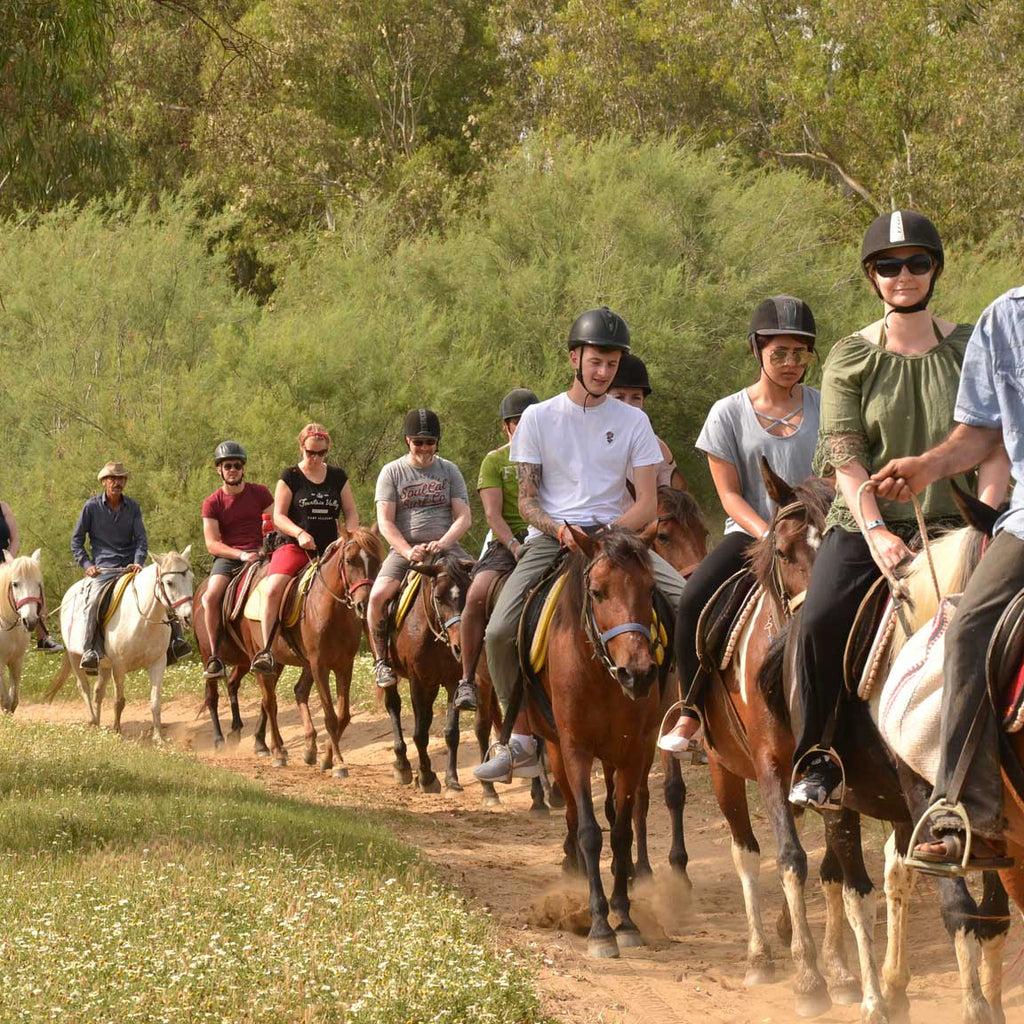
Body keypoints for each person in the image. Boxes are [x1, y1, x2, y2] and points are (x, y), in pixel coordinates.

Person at [787, 211, 1009, 810]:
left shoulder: (971, 346)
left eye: (916, 262)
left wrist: (984, 521)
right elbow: (846, 460)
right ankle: (819, 755)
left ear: (934, 269)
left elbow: (995, 445)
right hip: (867, 523)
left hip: (963, 519)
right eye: (889, 265)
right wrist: (880, 534)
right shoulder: (850, 356)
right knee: (819, 621)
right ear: (873, 278)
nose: (903, 274)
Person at [475, 306, 687, 782]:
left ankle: (688, 716)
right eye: (596, 362)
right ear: (575, 357)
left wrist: (608, 534)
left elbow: (649, 502)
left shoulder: (634, 423)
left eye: (612, 364)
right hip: (554, 538)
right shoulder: (538, 418)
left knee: (689, 602)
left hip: (617, 537)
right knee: (497, 631)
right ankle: (521, 737)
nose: (604, 372)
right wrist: (560, 530)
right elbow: (527, 500)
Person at [872, 287, 1024, 871]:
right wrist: (929, 465)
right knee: (968, 631)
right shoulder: (1004, 318)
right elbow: (981, 432)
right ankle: (970, 817)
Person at [659, 295, 821, 754]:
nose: (791, 363)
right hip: (753, 534)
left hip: (816, 535)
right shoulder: (727, 413)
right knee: (692, 600)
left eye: (800, 353)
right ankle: (690, 710)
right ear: (757, 351)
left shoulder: (825, 406)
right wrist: (769, 534)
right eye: (779, 353)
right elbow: (729, 495)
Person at [368, 409, 473, 688]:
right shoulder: (392, 472)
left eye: (430, 442)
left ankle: (480, 661)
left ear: (437, 442)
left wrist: (445, 542)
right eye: (418, 442)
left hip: (447, 548)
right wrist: (406, 551)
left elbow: (464, 516)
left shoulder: (449, 470)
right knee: (377, 596)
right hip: (406, 550)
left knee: (481, 587)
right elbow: (385, 522)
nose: (424, 448)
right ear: (407, 441)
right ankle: (381, 661)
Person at [452, 388, 540, 712]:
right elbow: (492, 514)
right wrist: (515, 545)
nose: (526, 427)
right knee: (476, 594)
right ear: (507, 426)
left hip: (546, 537)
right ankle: (467, 680)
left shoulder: (553, 456)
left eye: (532, 421)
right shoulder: (495, 461)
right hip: (508, 541)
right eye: (518, 422)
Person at [251, 424, 359, 673]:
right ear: (302, 448)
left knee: (361, 584)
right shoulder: (290, 476)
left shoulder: (337, 476)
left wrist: (350, 537)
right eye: (311, 452)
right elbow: (278, 516)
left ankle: (372, 650)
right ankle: (267, 650)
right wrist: (299, 533)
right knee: (273, 588)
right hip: (295, 547)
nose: (316, 458)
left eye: (321, 454)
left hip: (331, 549)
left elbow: (351, 511)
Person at [72, 461, 191, 672]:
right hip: (104, 568)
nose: (116, 482)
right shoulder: (91, 507)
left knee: (162, 592)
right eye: (112, 479)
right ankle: (91, 650)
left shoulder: (133, 507)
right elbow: (76, 541)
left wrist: (138, 561)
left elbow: (141, 540)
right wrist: (87, 564)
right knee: (93, 601)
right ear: (104, 482)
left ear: (125, 482)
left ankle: (176, 642)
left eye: (120, 478)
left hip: (131, 566)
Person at [200, 441, 274, 679]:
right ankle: (215, 656)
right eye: (227, 465)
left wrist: (265, 548)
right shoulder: (212, 503)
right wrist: (241, 555)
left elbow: (274, 524)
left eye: (237, 465)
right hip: (230, 557)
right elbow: (212, 543)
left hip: (262, 554)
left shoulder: (260, 492)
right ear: (218, 470)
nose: (233, 469)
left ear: (243, 468)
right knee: (211, 597)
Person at [608, 352, 687, 490]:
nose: (628, 405)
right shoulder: (582, 440)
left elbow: (677, 503)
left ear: (643, 402)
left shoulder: (657, 446)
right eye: (619, 397)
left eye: (636, 397)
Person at [0, 498, 63, 652]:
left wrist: (10, 562)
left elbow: (15, 539)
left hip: (6, 561)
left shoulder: (3, 508)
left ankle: (43, 638)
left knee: (34, 581)